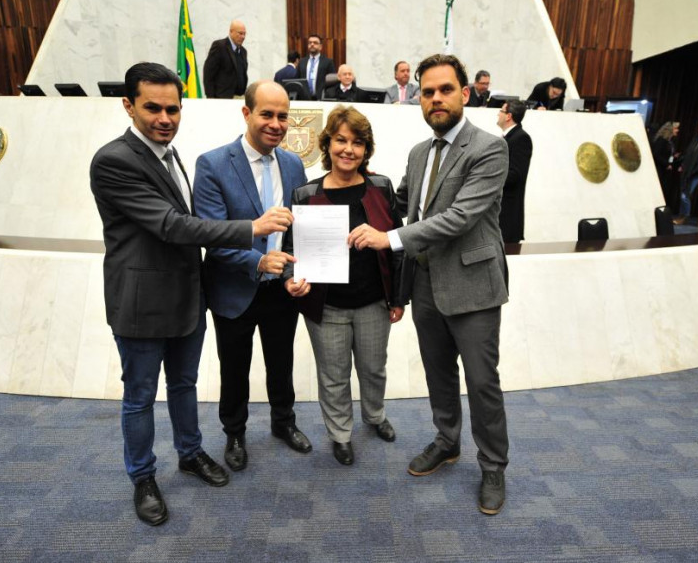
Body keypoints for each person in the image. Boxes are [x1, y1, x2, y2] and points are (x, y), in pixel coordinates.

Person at [89, 62, 293, 526]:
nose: (165, 118)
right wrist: (252, 230)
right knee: (139, 395)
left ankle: (190, 453)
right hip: (141, 302)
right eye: (153, 108)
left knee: (184, 385)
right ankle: (142, 477)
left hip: (187, 295)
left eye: (173, 109)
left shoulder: (170, 153)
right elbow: (170, 225)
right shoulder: (114, 160)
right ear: (128, 106)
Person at [347, 54, 510, 515]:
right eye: (428, 92)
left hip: (473, 285)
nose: (435, 99)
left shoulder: (490, 148)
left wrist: (389, 237)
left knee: (482, 383)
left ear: (464, 93)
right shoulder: (420, 153)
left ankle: (494, 465)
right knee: (438, 374)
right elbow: (400, 203)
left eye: (445, 89)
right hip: (425, 286)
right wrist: (341, 188)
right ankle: (447, 440)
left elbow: (458, 218)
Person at [193, 81, 312, 474]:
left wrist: (295, 270)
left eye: (282, 116)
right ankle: (235, 433)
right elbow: (213, 235)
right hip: (234, 287)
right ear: (246, 114)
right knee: (235, 367)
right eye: (267, 114)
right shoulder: (212, 164)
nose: (276, 124)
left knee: (282, 362)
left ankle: (283, 422)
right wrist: (257, 262)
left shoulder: (294, 164)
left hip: (282, 289)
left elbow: (298, 231)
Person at [283, 106, 405, 466]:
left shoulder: (381, 187)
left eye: (357, 142)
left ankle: (375, 416)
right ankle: (340, 434)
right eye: (340, 140)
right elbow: (290, 249)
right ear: (328, 144)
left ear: (366, 149)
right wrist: (291, 279)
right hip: (327, 305)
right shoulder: (305, 194)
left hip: (374, 302)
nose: (348, 149)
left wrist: (398, 297)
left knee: (373, 368)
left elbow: (397, 242)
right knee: (333, 375)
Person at [496, 99, 533, 243]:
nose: (497, 114)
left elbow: (515, 175)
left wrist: (489, 177)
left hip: (508, 213)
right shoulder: (507, 137)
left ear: (508, 116)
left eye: (501, 111)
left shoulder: (521, 138)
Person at [203, 20, 249, 99]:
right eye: (240, 33)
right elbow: (208, 74)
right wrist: (211, 99)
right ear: (231, 31)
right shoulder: (219, 46)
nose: (243, 37)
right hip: (222, 99)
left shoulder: (243, 51)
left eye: (244, 34)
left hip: (240, 98)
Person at [650, 121, 681, 211]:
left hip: (665, 171)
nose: (677, 130)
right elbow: (656, 154)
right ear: (670, 130)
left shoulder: (669, 141)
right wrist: (666, 164)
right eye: (676, 128)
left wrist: (674, 156)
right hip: (659, 170)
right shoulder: (661, 140)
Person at [298, 33, 336, 100]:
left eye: (315, 43)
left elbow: (333, 82)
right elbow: (298, 80)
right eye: (310, 43)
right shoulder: (302, 62)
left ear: (320, 46)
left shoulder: (328, 62)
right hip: (304, 99)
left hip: (322, 98)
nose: (312, 44)